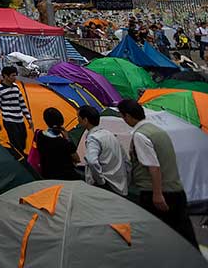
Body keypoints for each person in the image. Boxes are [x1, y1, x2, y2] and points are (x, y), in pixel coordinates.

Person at [119, 99, 197, 245]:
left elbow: (153, 166)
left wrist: (157, 194)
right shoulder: (158, 131)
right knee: (183, 233)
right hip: (175, 189)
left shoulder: (140, 135)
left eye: (123, 116)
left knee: (158, 235)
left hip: (155, 192)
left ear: (128, 116)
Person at [78, 105, 128, 196]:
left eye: (79, 118)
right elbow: (125, 158)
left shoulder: (93, 138)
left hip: (106, 185)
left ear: (85, 120)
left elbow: (92, 161)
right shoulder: (109, 134)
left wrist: (100, 181)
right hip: (118, 183)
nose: (78, 121)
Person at [0, 65, 33, 154]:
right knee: (16, 143)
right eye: (13, 75)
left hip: (20, 119)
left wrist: (29, 118)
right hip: (9, 120)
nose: (15, 77)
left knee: (23, 141)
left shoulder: (16, 87)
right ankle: (20, 160)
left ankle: (20, 157)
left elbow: (22, 103)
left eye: (15, 75)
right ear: (5, 76)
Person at [35, 107, 78, 180]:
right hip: (66, 177)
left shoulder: (39, 135)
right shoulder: (63, 142)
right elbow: (76, 158)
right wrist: (67, 138)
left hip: (47, 175)